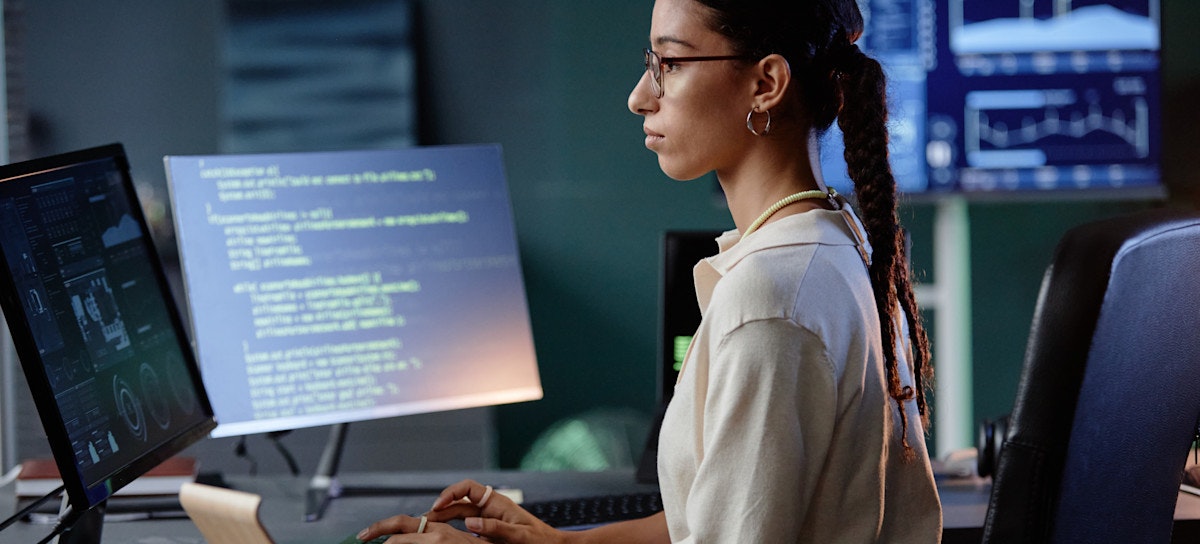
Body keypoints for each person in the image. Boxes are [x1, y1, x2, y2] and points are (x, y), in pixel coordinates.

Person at [355, 0, 942, 541]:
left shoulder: (771, 300)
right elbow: (710, 523)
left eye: (672, 63)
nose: (640, 96)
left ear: (766, 84)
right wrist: (556, 542)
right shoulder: (836, 246)